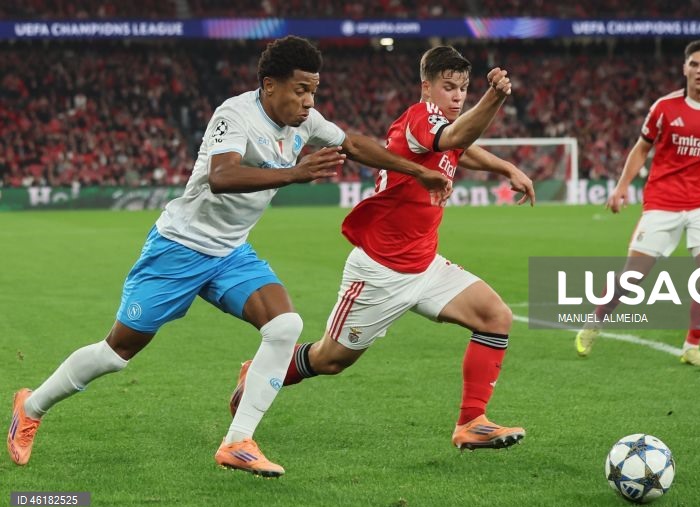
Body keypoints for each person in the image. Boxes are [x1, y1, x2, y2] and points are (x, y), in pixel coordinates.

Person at [7, 36, 451, 477]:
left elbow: (354, 144)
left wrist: (418, 172)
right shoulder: (234, 114)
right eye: (300, 89)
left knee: (285, 325)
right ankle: (32, 405)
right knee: (117, 352)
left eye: (314, 90)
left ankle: (238, 442)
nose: (308, 101)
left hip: (230, 252)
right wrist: (294, 173)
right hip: (179, 248)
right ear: (269, 84)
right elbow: (221, 176)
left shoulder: (306, 120)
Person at [230, 46, 535, 451]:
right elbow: (458, 136)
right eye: (449, 87)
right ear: (426, 87)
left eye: (463, 88)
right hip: (380, 272)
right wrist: (493, 97)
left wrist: (506, 167)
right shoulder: (420, 118)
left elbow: (461, 147)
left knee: (496, 316)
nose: (458, 96)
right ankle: (257, 372)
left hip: (425, 265)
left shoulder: (443, 124)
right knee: (330, 359)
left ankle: (471, 422)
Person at [574, 40, 700, 367]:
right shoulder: (665, 108)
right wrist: (621, 187)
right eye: (694, 65)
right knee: (632, 279)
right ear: (685, 68)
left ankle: (692, 346)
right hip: (662, 201)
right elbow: (641, 148)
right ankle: (595, 321)